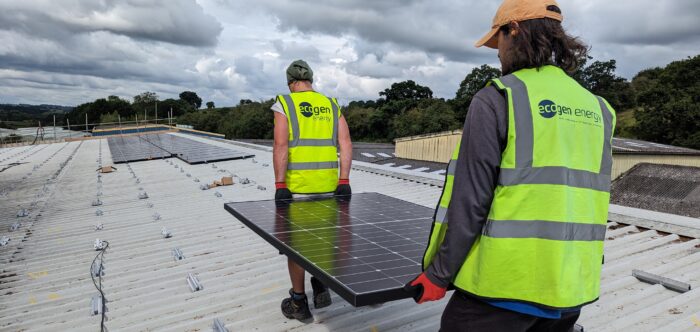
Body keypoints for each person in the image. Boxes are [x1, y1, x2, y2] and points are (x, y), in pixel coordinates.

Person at [411, 0, 616, 331]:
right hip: (569, 287)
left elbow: (471, 201)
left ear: (515, 31)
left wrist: (438, 274)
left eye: (499, 41)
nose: (497, 53)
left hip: (503, 287)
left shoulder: (499, 97)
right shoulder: (600, 109)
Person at [271, 59, 353, 322]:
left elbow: (280, 146)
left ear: (291, 82)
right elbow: (346, 143)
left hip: (298, 190)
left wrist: (280, 184)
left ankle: (298, 302)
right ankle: (321, 287)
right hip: (330, 188)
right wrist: (344, 180)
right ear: (311, 80)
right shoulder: (331, 104)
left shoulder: (284, 103)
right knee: (324, 240)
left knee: (296, 248)